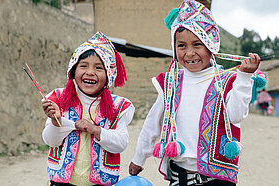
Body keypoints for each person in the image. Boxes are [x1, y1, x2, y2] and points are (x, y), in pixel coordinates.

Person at [129, 0, 260, 186]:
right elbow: (152, 124)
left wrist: (244, 79)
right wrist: (138, 158)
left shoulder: (227, 81)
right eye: (181, 46)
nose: (189, 53)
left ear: (211, 44)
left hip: (217, 179)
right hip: (179, 176)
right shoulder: (170, 83)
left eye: (197, 44)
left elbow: (236, 115)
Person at [42, 32, 135, 186]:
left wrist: (96, 130)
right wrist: (55, 121)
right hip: (61, 183)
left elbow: (121, 143)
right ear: (73, 70)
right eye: (83, 66)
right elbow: (50, 141)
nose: (90, 72)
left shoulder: (118, 106)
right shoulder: (58, 99)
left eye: (99, 68)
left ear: (109, 74)